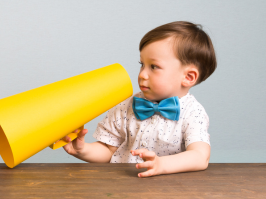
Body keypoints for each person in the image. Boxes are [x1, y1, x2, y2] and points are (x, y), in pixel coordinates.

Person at [61, 21, 216, 177]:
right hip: (121, 188)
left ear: (188, 77)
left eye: (153, 66)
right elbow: (108, 151)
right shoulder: (125, 107)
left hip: (172, 192)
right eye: (142, 64)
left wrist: (162, 164)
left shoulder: (193, 113)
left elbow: (200, 157)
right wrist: (82, 150)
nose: (142, 74)